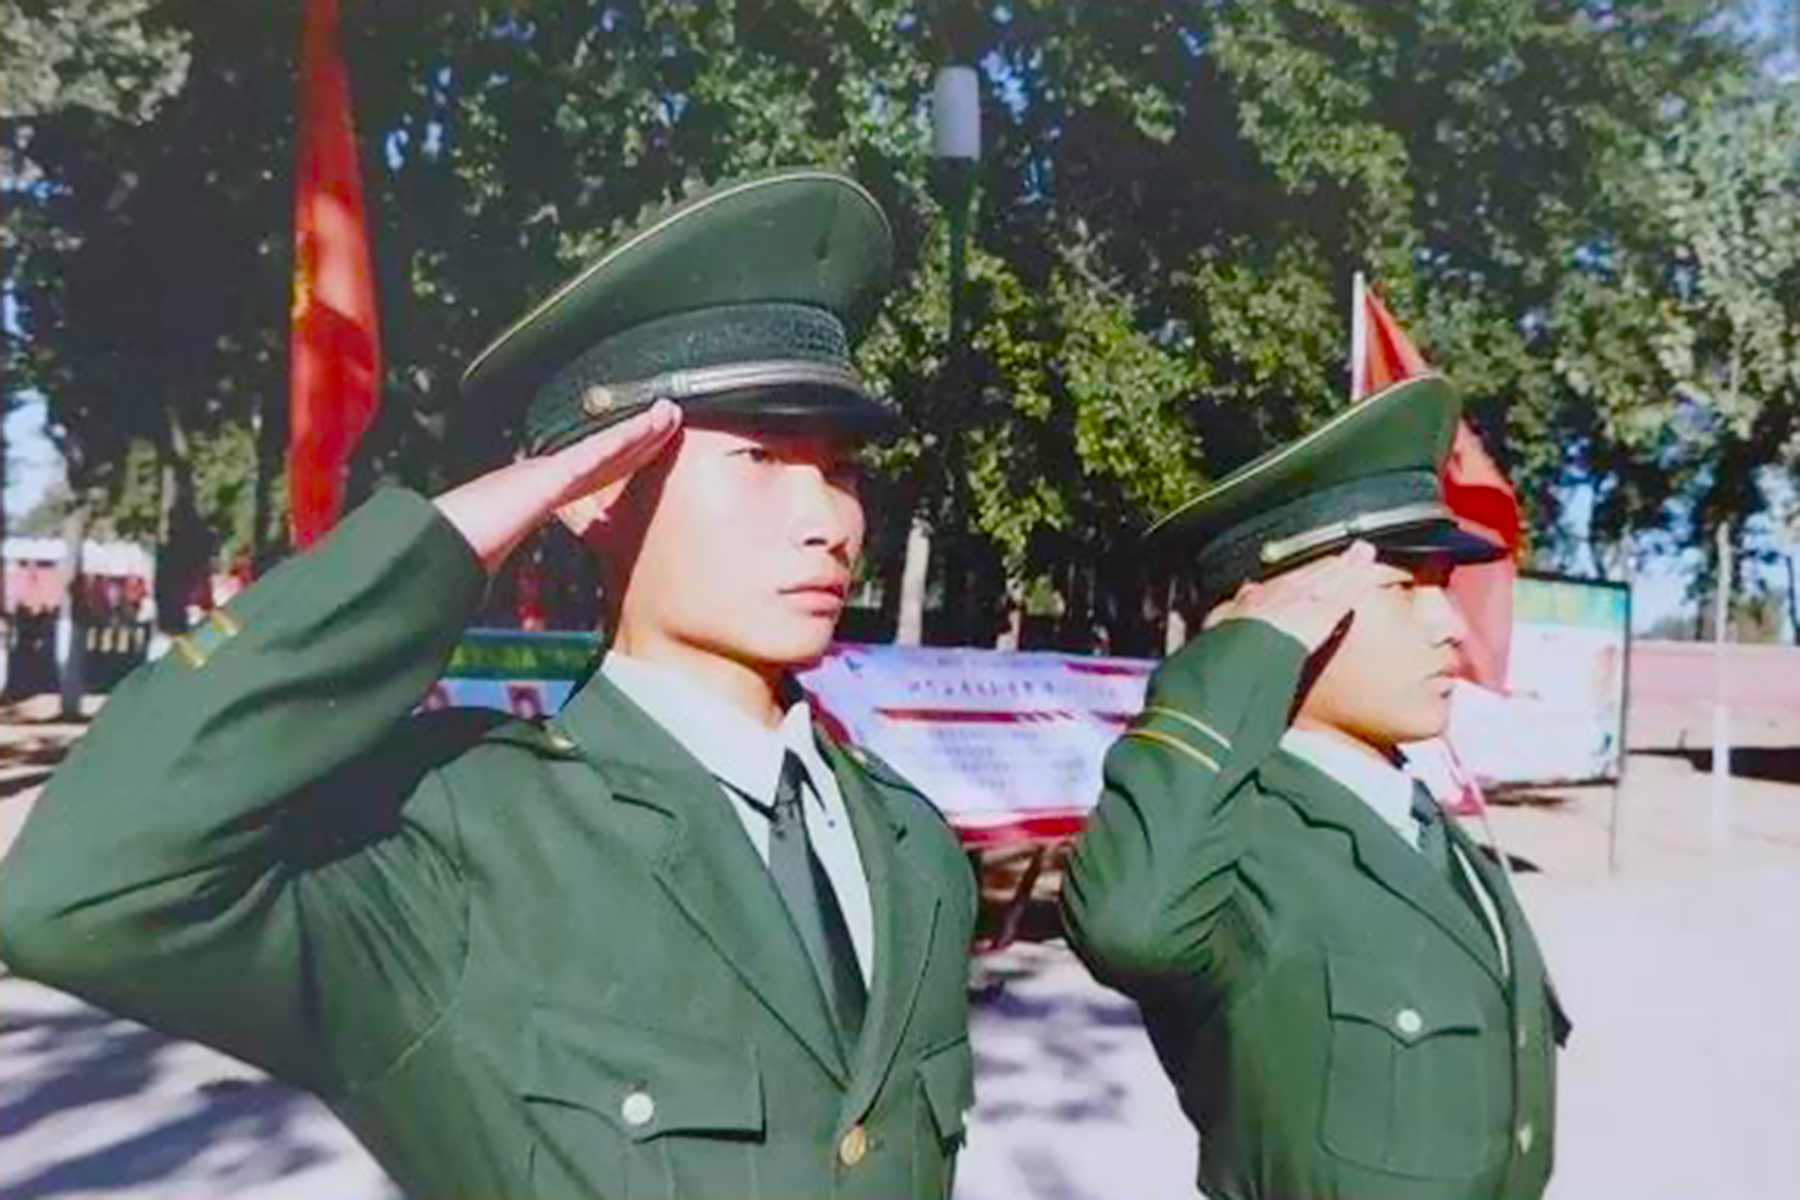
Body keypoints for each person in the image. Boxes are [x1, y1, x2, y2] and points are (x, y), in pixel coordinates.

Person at [0, 169, 977, 1200]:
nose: (828, 519)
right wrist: (466, 527)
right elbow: (80, 891)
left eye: (841, 467)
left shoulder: (911, 846)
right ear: (594, 490)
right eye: (760, 457)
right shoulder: (463, 841)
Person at [1062, 375, 1569, 1200]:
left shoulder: (1413, 817)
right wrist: (1240, 655)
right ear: (1293, 611)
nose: (1450, 625)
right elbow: (1129, 927)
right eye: (1403, 588)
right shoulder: (1234, 837)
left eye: (1444, 586)